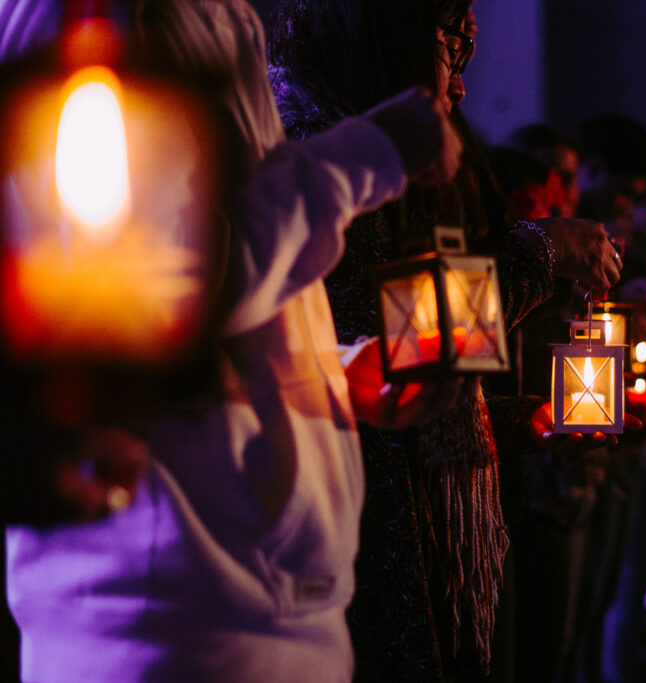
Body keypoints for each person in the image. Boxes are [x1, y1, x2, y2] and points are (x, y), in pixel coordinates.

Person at [4, 0, 465, 679]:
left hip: (247, 598)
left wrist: (328, 371)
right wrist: (371, 152)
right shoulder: (96, 19)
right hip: (174, 613)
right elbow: (150, 288)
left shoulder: (212, 13)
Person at [268, 2, 623, 679]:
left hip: (438, 532)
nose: (459, 84)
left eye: (468, 53)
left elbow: (412, 356)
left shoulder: (386, 157)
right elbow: (381, 348)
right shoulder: (309, 151)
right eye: (450, 44)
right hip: (361, 545)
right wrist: (539, 251)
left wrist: (521, 418)